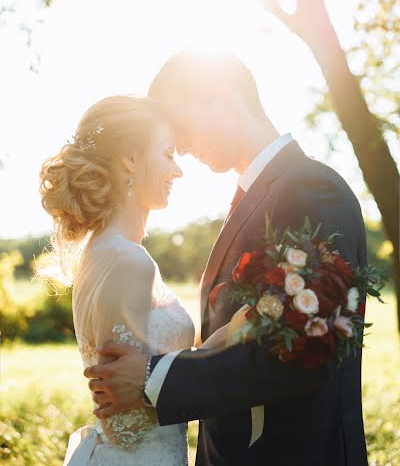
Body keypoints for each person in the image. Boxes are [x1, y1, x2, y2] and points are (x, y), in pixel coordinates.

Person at [85, 50, 369, 466]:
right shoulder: (258, 196)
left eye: (180, 127)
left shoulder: (310, 190)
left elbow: (306, 354)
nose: (178, 146)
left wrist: (154, 377)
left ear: (222, 98)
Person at [39, 95, 227, 466]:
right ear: (130, 159)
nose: (178, 171)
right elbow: (124, 424)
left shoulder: (105, 252)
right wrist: (222, 348)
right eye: (168, 154)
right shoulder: (128, 261)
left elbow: (140, 372)